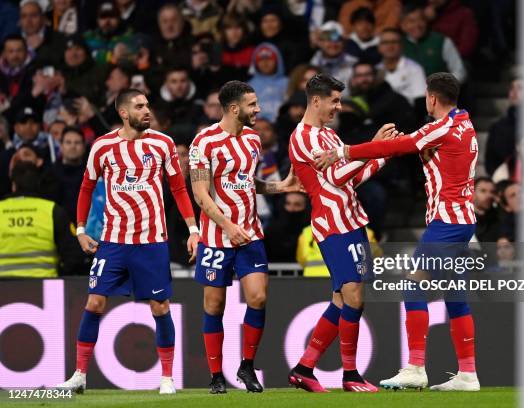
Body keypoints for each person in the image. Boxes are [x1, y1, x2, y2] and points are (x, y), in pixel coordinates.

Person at [315, 72, 480, 391]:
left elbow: (406, 144)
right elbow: (429, 146)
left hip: (447, 221)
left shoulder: (441, 127)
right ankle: (468, 374)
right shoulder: (464, 124)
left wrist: (343, 152)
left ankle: (416, 367)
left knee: (413, 286)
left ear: (432, 98)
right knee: (454, 293)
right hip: (461, 219)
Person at [55, 88, 199, 395]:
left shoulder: (163, 143)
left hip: (152, 241)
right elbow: (85, 187)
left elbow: (178, 189)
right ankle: (80, 374)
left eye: (147, 105)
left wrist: (193, 229)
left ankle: (167, 378)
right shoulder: (103, 146)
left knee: (160, 307)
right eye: (140, 106)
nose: (147, 110)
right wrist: (80, 229)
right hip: (113, 242)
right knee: (94, 302)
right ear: (124, 113)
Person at [189, 81, 302, 394]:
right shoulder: (205, 141)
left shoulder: (253, 140)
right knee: (214, 306)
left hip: (250, 234)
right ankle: (215, 376)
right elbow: (200, 193)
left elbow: (247, 183)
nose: (259, 109)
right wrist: (226, 225)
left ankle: (247, 366)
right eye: (253, 104)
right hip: (216, 237)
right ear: (234, 108)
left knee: (259, 297)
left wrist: (281, 187)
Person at [287, 73, 391, 393]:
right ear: (315, 100)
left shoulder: (330, 137)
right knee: (354, 298)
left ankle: (304, 368)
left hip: (352, 220)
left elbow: (352, 177)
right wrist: (372, 146)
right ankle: (350, 375)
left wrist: (384, 152)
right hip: (332, 224)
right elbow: (334, 175)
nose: (339, 106)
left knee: (340, 301)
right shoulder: (303, 137)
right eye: (334, 100)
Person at [0, 162, 83, 278]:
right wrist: (60, 274)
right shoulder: (52, 210)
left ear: (13, 185)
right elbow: (75, 254)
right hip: (46, 285)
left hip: (3, 288)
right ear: (38, 183)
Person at [51, 126, 87, 223]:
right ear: (61, 146)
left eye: (77, 143)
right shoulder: (50, 174)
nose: (72, 146)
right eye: (68, 142)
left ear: (84, 147)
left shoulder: (93, 174)